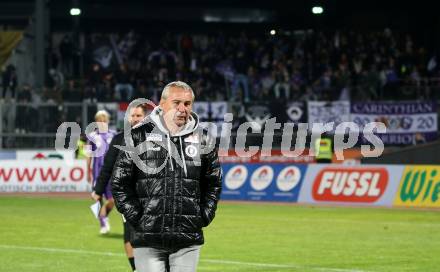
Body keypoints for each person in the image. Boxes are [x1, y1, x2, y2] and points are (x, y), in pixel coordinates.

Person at [111, 81, 222, 272]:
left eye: (187, 104)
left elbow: (213, 182)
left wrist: (203, 216)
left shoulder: (203, 138)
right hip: (147, 237)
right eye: (176, 102)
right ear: (162, 105)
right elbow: (120, 182)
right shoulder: (138, 136)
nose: (182, 109)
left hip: (187, 237)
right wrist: (138, 218)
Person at [91, 103, 149, 272]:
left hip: (150, 194)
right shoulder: (119, 139)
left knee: (149, 233)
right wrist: (98, 190)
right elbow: (107, 166)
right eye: (133, 116)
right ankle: (135, 268)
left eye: (139, 115)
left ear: (145, 117)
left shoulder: (154, 138)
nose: (135, 119)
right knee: (129, 233)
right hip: (127, 196)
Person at [87, 110, 116, 234]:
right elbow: (88, 154)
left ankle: (103, 216)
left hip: (111, 174)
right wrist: (87, 170)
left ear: (108, 121)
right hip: (97, 173)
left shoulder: (114, 135)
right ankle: (102, 222)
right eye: (99, 121)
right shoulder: (91, 136)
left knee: (112, 200)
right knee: (96, 199)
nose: (102, 123)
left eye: (104, 120)